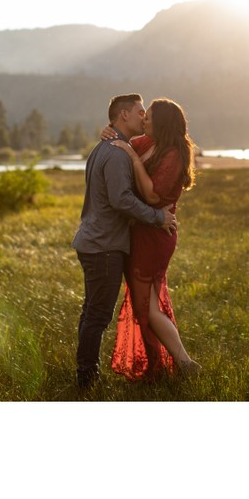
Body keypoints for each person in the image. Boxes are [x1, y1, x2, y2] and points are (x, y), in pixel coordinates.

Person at [72, 94, 177, 390]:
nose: (144, 117)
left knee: (91, 312)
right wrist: (158, 217)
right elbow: (121, 200)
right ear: (123, 116)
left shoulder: (107, 146)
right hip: (104, 246)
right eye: (140, 112)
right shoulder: (117, 153)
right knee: (97, 315)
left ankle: (85, 375)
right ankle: (86, 379)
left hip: (94, 242)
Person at [103, 97, 201, 381]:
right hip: (142, 230)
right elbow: (125, 141)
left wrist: (133, 159)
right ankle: (159, 364)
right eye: (143, 115)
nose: (144, 119)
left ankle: (184, 362)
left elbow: (153, 195)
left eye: (149, 116)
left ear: (163, 123)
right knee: (144, 301)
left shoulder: (173, 154)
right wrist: (107, 130)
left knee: (146, 304)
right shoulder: (148, 143)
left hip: (156, 234)